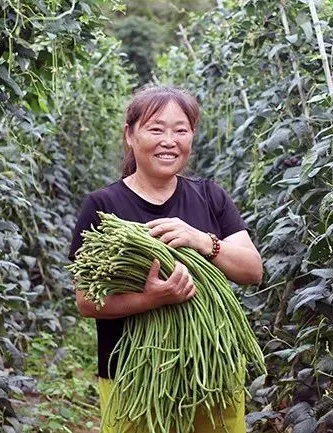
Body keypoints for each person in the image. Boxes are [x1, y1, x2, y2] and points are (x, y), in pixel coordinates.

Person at [68, 85, 263, 433]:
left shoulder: (210, 196)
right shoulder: (102, 206)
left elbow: (253, 270)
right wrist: (151, 299)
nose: (169, 140)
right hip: (133, 376)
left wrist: (203, 241)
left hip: (212, 371)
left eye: (181, 130)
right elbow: (86, 302)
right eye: (156, 129)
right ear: (130, 135)